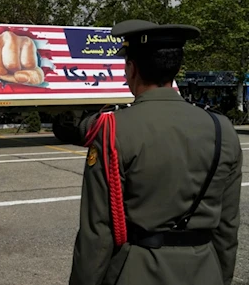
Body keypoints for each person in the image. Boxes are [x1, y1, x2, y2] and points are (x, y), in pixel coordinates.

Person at [68, 19, 242, 285]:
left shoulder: (114, 130)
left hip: (137, 270)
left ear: (132, 69)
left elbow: (97, 233)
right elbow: (227, 228)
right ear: (177, 69)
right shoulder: (223, 129)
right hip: (205, 270)